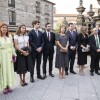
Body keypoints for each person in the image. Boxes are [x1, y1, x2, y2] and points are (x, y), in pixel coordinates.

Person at [0, 23, 16, 94]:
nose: (4, 29)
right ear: (0, 28)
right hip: (2, 56)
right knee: (3, 71)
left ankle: (9, 86)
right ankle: (4, 87)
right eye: (3, 27)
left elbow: (12, 46)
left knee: (9, 71)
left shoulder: (9, 36)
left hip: (9, 56)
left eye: (6, 27)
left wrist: (14, 55)